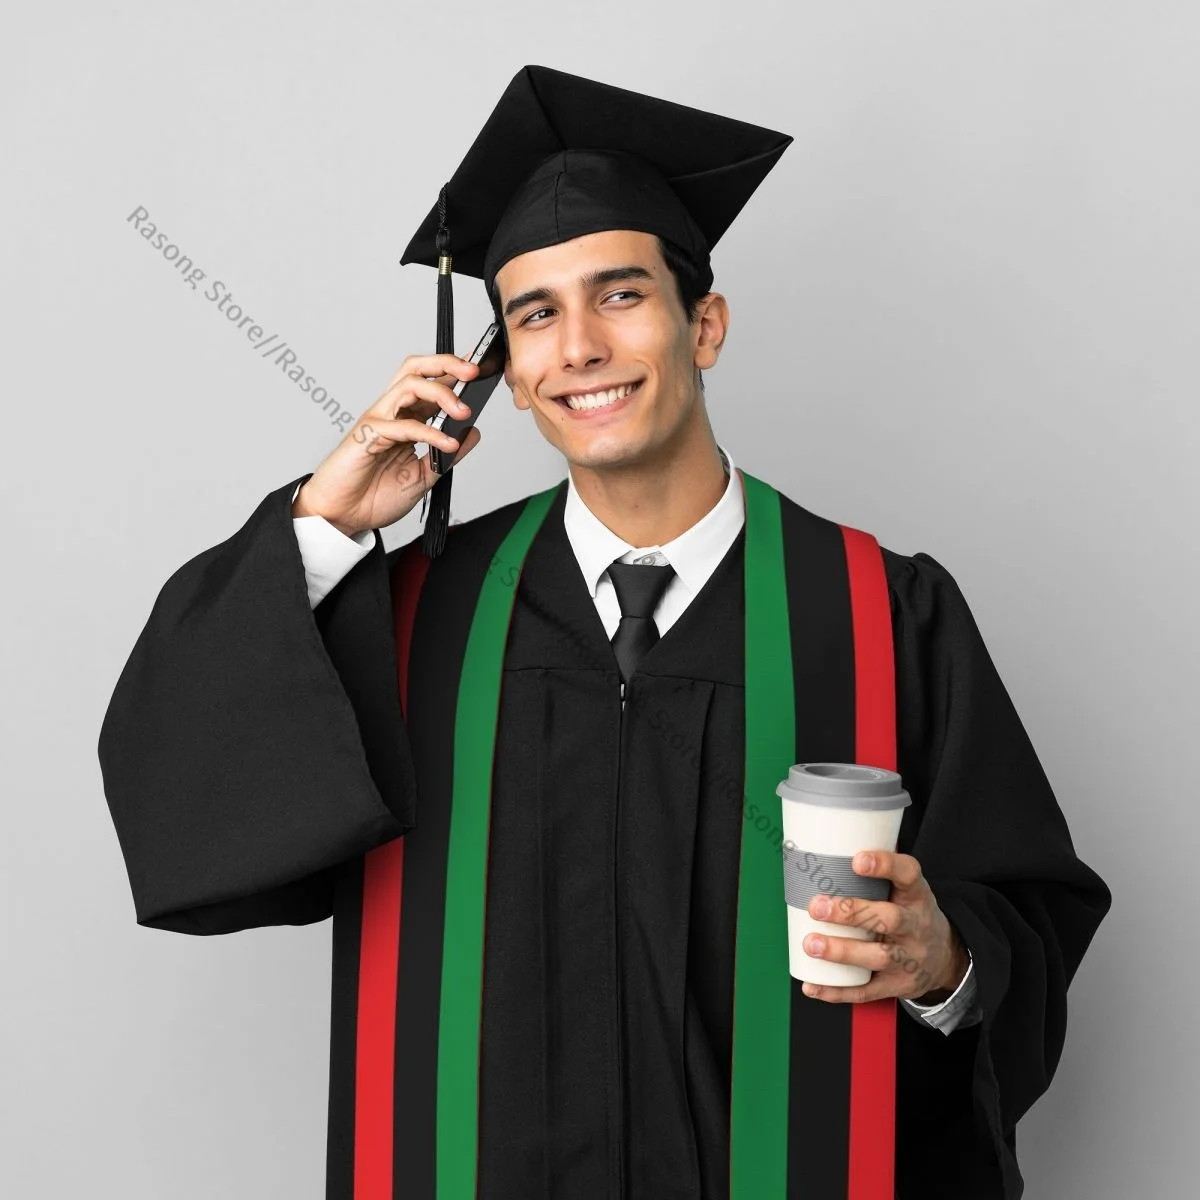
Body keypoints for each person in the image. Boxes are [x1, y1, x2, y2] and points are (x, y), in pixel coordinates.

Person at [97, 65, 1111, 1200]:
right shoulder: (419, 613)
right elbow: (185, 792)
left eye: (621, 295)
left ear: (705, 325)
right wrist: (326, 524)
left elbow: (1024, 914)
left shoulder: (882, 612)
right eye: (535, 314)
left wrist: (946, 962)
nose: (578, 345)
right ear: (509, 379)